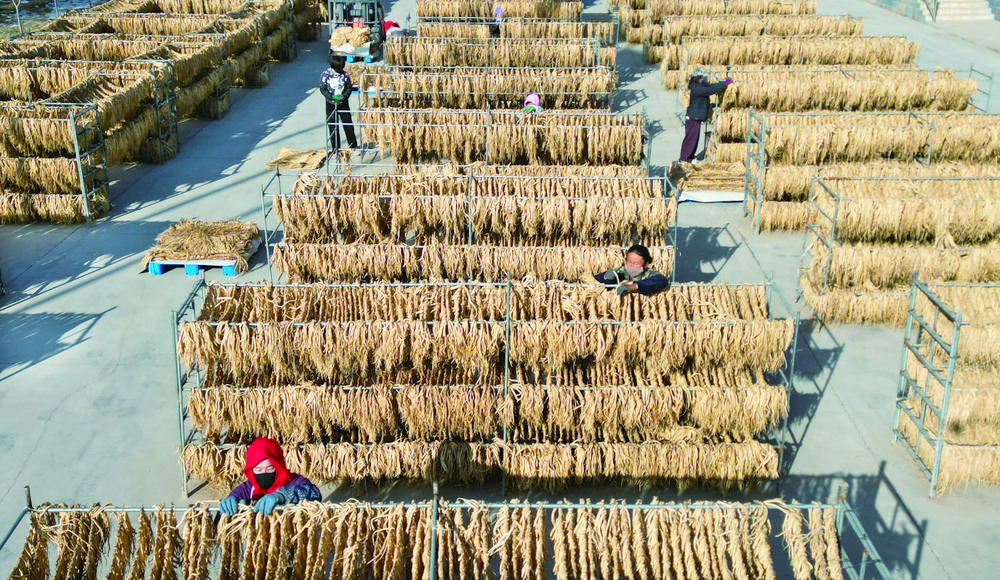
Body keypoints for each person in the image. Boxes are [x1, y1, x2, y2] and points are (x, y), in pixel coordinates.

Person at [218, 437, 321, 516]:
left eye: (270, 468)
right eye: (258, 470)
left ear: (279, 466)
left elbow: (314, 493)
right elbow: (236, 495)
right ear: (251, 471)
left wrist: (282, 495)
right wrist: (231, 499)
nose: (264, 473)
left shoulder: (294, 481)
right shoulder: (249, 487)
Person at [678, 67, 731, 164]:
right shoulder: (697, 88)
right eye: (704, 77)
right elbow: (710, 90)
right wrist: (725, 83)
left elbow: (710, 86)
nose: (706, 79)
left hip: (695, 117)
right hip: (693, 118)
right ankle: (683, 159)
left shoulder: (697, 85)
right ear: (699, 78)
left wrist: (721, 82)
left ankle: (690, 157)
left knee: (694, 139)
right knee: (690, 139)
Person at [595, 244, 670, 296]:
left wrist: (634, 286)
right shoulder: (619, 272)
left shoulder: (650, 274)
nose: (631, 265)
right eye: (629, 261)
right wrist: (605, 278)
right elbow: (594, 282)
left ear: (646, 263)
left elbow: (662, 281)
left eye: (636, 263)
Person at [319, 55, 359, 151]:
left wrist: (345, 96)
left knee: (348, 125)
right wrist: (331, 96)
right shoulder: (325, 75)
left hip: (343, 104)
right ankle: (336, 149)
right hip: (331, 104)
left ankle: (353, 146)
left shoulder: (344, 75)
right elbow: (322, 88)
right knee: (333, 126)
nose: (340, 70)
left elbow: (349, 87)